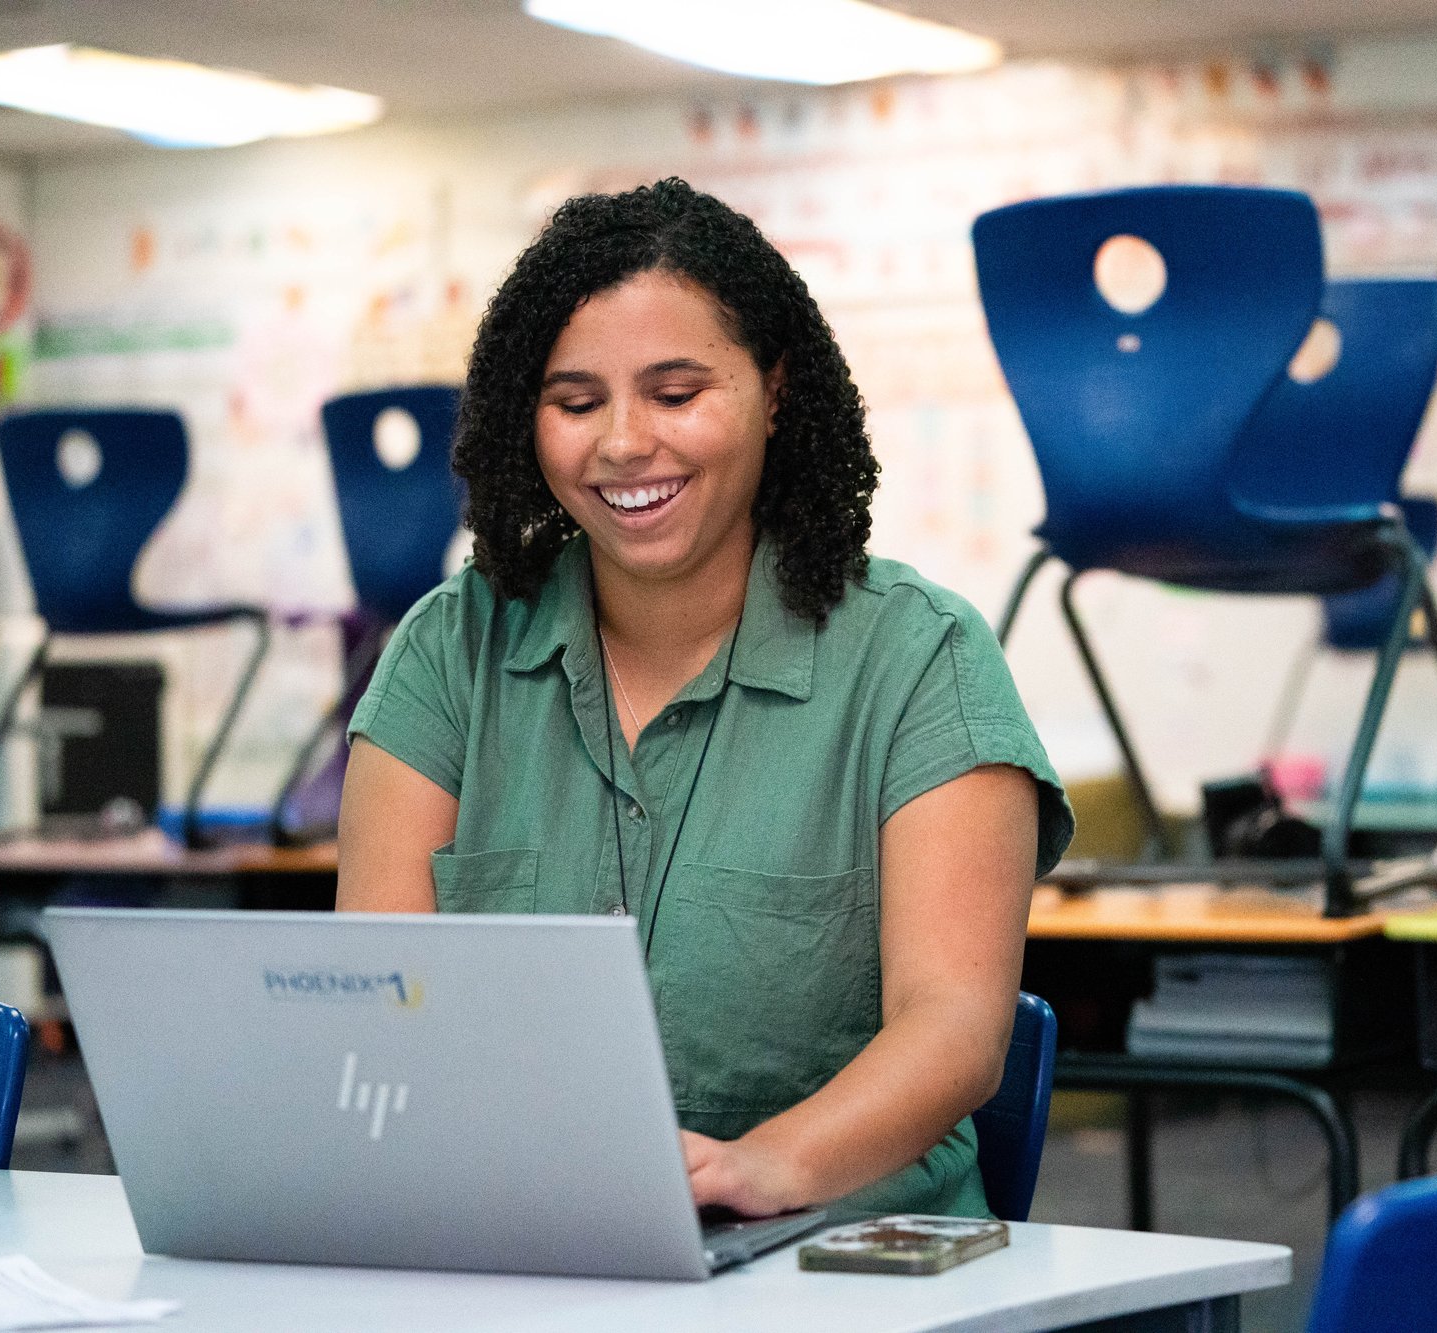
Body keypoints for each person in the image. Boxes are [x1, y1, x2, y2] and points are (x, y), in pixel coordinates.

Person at [335, 178, 1072, 1219]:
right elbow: (375, 1009)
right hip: (519, 1238)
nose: (625, 442)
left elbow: (951, 1027)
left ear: (774, 391)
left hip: (840, 1255)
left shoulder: (921, 659)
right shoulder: (447, 652)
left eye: (676, 394)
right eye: (575, 402)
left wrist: (768, 1164)